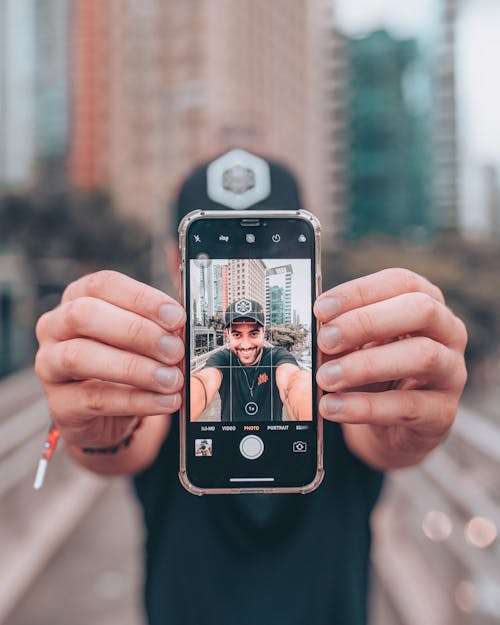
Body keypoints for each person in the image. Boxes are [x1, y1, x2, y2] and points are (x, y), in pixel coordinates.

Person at [34, 149, 467, 625]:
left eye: (268, 249)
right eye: (217, 253)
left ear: (312, 266)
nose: (244, 272)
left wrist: (410, 424)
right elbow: (123, 441)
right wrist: (94, 433)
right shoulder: (164, 371)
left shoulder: (341, 370)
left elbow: (384, 443)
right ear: (174, 262)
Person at [191, 299, 311, 421]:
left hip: (273, 437)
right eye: (237, 335)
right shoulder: (223, 359)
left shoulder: (277, 357)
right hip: (229, 437)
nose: (246, 345)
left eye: (253, 334)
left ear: (263, 332)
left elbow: (293, 380)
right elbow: (204, 382)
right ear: (228, 334)